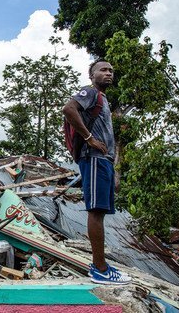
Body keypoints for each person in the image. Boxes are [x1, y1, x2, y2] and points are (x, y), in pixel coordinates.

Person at [62, 59, 131, 285]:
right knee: (95, 211)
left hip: (104, 160)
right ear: (92, 75)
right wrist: (90, 139)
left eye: (111, 70)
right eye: (103, 70)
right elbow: (68, 109)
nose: (108, 73)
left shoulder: (103, 98)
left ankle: (101, 267)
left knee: (100, 211)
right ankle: (99, 270)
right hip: (93, 159)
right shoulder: (89, 92)